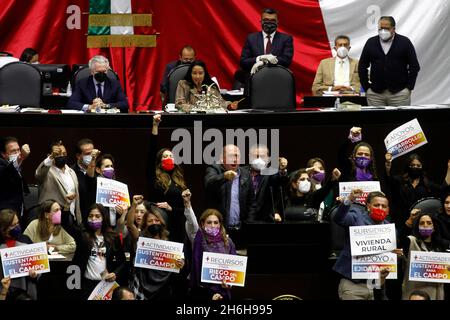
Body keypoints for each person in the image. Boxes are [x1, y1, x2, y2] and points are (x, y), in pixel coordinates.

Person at [333, 189, 392, 300]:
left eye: (383, 206)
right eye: (376, 205)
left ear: (388, 210)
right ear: (368, 206)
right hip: (353, 284)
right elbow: (338, 218)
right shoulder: (356, 216)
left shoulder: (389, 228)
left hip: (376, 285)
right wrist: (349, 199)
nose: (380, 208)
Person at [127, 195, 185, 300]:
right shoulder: (141, 239)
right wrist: (134, 205)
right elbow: (130, 225)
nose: (154, 223)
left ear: (162, 222)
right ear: (145, 223)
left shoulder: (169, 242)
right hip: (142, 289)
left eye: (157, 220)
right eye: (150, 221)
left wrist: (181, 262)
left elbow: (180, 260)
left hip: (164, 289)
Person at [65, 204, 126, 299]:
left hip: (105, 285)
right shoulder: (82, 236)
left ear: (104, 218)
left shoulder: (113, 237)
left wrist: (115, 273)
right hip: (86, 284)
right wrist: (67, 206)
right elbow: (66, 224)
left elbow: (122, 262)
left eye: (97, 216)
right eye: (90, 216)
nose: (93, 219)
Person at [358, 16, 420, 106]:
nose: (383, 31)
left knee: (401, 120)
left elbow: (414, 66)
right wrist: (367, 87)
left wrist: (408, 88)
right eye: (380, 28)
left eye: (386, 28)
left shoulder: (404, 42)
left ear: (393, 29)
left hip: (399, 94)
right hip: (375, 94)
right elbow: (362, 66)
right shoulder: (371, 42)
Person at [204, 144, 255, 249]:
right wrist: (224, 176)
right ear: (222, 159)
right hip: (220, 229)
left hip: (241, 230)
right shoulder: (214, 169)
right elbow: (209, 183)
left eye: (237, 156)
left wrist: (249, 222)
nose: (234, 159)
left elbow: (251, 202)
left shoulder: (246, 174)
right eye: (231, 156)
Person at [149, 114, 189, 243]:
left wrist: (171, 208)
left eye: (171, 156)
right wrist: (155, 126)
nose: (169, 158)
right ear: (159, 161)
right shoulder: (154, 177)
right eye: (165, 156)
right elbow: (152, 150)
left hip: (177, 224)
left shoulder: (179, 180)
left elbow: (184, 208)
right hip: (159, 223)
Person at [384, 152, 444, 225]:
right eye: (412, 165)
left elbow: (443, 189)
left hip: (419, 221)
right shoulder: (399, 180)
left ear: (422, 167)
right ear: (408, 166)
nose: (415, 167)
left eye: (418, 166)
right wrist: (388, 166)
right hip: (400, 220)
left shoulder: (427, 184)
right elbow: (388, 180)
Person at [191, 209, 236, 300]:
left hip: (224, 289)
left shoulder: (228, 242)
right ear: (202, 224)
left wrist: (229, 283)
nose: (213, 225)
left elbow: (234, 268)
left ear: (220, 224)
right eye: (209, 222)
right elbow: (196, 266)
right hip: (205, 291)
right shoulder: (199, 240)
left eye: (216, 222)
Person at [35, 140, 82, 224]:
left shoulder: (71, 171)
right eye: (58, 154)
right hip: (51, 219)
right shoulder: (46, 172)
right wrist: (51, 158)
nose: (62, 156)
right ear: (50, 155)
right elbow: (38, 175)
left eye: (64, 154)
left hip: (70, 217)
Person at [401, 211, 445, 300]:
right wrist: (409, 221)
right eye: (422, 223)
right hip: (413, 293)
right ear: (417, 227)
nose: (425, 225)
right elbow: (400, 238)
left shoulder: (440, 248)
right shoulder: (411, 241)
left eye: (429, 223)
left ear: (434, 227)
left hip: (434, 292)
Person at [240, 8, 293, 75]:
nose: (269, 23)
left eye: (273, 20)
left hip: (277, 77)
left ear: (277, 22)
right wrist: (260, 58)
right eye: (266, 20)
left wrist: (264, 62)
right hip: (255, 77)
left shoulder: (286, 39)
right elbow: (243, 62)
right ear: (261, 21)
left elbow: (286, 60)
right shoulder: (251, 38)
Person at [0, 209, 39, 299]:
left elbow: (37, 265)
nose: (17, 227)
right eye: (13, 225)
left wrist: (35, 274)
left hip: (26, 292)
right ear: (4, 228)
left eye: (17, 223)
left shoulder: (25, 240)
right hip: (4, 292)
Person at [246, 144, 288, 222]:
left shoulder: (271, 173)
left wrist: (282, 170)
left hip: (264, 218)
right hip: (244, 218)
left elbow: (281, 180)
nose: (259, 159)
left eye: (262, 156)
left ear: (268, 159)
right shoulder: (242, 172)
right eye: (256, 156)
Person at [0, 136, 30, 214]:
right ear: (3, 154)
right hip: (6, 214)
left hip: (19, 209)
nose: (17, 153)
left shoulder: (16, 164)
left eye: (18, 150)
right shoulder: (2, 165)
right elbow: (7, 173)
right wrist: (21, 157)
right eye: (13, 151)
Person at [71, 138, 95, 222]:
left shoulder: (99, 170)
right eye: (88, 154)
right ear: (78, 156)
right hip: (79, 219)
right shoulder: (70, 173)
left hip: (97, 218)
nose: (92, 156)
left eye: (93, 153)